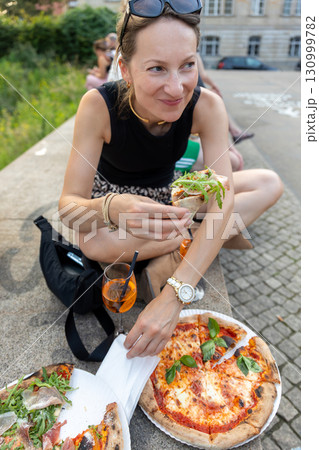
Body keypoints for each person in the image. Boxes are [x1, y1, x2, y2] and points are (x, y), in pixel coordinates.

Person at [59, 0, 283, 359]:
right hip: (117, 207)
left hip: (171, 197)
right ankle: (191, 244)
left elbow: (222, 200)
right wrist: (113, 206)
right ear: (125, 68)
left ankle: (178, 251)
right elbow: (69, 207)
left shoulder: (207, 105)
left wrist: (176, 292)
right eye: (157, 69)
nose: (177, 88)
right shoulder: (97, 105)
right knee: (90, 242)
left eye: (187, 65)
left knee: (269, 183)